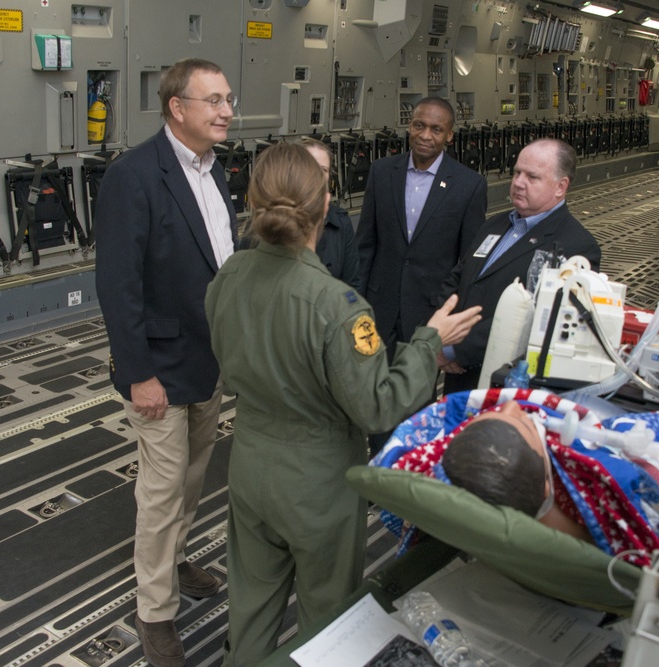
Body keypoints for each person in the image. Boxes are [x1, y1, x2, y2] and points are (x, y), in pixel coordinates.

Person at [205, 142, 482, 666]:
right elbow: (378, 407)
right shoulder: (336, 304)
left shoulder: (228, 278)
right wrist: (429, 340)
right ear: (325, 205)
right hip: (318, 482)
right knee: (328, 619)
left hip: (249, 466)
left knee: (249, 611)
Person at [94, 58, 238, 667]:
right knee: (160, 492)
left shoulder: (217, 171)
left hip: (209, 361)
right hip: (158, 367)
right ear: (178, 108)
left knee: (193, 476)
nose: (226, 110)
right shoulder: (133, 176)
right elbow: (117, 285)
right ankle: (155, 612)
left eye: (228, 99)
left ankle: (176, 558)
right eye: (213, 100)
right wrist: (139, 374)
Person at [372, 389, 659, 566]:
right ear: (546, 483)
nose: (514, 404)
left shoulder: (518, 490)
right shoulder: (604, 501)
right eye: (531, 425)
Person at [437, 138, 601, 393]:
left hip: (506, 382)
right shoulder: (496, 224)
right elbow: (460, 277)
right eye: (517, 172)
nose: (518, 183)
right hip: (456, 375)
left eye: (532, 177)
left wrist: (456, 350)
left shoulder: (576, 247)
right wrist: (437, 336)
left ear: (561, 187)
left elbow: (537, 317)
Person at [356, 97, 488, 351]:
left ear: (449, 135)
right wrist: (356, 305)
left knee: (418, 389)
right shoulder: (381, 172)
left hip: (428, 314)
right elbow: (365, 245)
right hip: (377, 309)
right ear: (409, 126)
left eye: (436, 129)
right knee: (367, 386)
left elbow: (467, 263)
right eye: (419, 125)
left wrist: (450, 320)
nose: (425, 135)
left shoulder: (468, 186)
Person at [300, 138, 362, 291]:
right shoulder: (271, 221)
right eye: (310, 165)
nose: (317, 174)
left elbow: (352, 283)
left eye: (323, 169)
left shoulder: (340, 223)